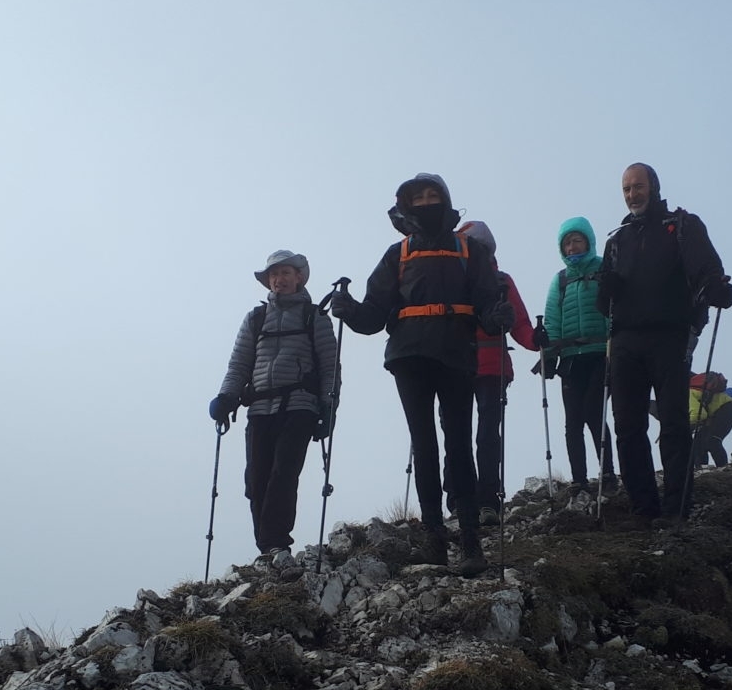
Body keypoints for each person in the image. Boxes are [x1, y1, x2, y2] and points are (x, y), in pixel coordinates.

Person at [327, 174, 511, 574]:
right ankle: (436, 539)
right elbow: (373, 315)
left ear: (445, 200)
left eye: (432, 195)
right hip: (411, 357)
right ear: (406, 206)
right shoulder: (399, 254)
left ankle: (469, 539)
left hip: (455, 354)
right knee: (425, 444)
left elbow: (486, 304)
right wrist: (349, 309)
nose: (426, 203)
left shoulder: (469, 250)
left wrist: (497, 316)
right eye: (418, 198)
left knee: (457, 444)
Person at [596, 163, 732, 521]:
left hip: (670, 336)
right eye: (626, 189)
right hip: (625, 340)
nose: (632, 195)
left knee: (673, 422)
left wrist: (717, 288)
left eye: (638, 186)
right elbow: (603, 302)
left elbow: (706, 269)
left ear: (654, 187)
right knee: (628, 427)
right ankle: (643, 509)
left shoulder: (683, 227)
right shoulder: (617, 241)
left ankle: (676, 508)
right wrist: (605, 289)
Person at [210, 250, 341, 568]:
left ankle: (275, 543)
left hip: (300, 406)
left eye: (285, 273)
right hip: (259, 409)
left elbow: (330, 368)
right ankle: (268, 549)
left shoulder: (314, 316)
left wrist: (328, 408)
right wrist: (226, 397)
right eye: (273, 275)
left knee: (284, 473)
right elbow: (239, 364)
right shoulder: (255, 319)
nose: (278, 279)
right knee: (256, 480)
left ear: (299, 277)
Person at [452, 220, 537, 525]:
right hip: (475, 365)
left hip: (469, 366)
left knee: (467, 435)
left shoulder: (490, 280)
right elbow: (521, 325)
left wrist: (535, 341)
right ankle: (477, 501)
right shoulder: (498, 280)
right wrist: (534, 341)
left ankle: (470, 501)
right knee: (476, 435)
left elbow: (519, 324)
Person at [539, 216, 615, 495]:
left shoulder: (604, 270)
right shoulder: (560, 280)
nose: (572, 247)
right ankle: (579, 480)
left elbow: (613, 308)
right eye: (567, 243)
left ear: (588, 241)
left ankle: (607, 474)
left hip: (601, 354)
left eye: (577, 240)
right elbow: (552, 319)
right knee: (572, 421)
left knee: (594, 412)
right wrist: (549, 355)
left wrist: (614, 343)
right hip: (571, 358)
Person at [688, 371, 732, 467]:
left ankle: (723, 468)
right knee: (698, 442)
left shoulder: (688, 392)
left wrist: (686, 426)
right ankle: (702, 468)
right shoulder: (695, 389)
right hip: (726, 409)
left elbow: (699, 415)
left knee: (712, 440)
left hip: (727, 409)